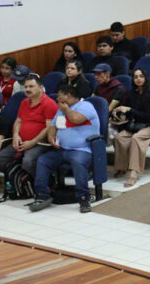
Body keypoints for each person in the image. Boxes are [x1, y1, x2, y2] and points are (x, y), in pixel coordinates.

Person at [29, 83, 100, 213]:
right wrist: (51, 137)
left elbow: (77, 119)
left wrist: (66, 110)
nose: (57, 99)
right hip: (62, 149)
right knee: (42, 160)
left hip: (81, 150)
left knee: (78, 163)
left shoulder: (86, 106)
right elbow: (53, 126)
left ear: (68, 95)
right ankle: (42, 196)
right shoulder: (61, 109)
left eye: (59, 96)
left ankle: (84, 198)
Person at [0, 75, 57, 182]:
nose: (27, 89)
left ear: (40, 87)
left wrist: (33, 142)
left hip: (40, 143)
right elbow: (18, 121)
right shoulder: (24, 102)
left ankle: (45, 183)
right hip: (21, 142)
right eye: (26, 87)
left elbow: (49, 128)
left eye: (31, 86)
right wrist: (16, 135)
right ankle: (21, 180)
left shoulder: (49, 104)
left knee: (28, 161)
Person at [111, 68, 150, 188]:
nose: (138, 79)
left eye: (141, 76)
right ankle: (122, 168)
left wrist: (130, 110)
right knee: (119, 137)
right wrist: (119, 111)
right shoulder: (132, 93)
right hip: (135, 125)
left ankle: (133, 173)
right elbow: (128, 110)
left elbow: (149, 116)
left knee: (136, 139)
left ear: (145, 78)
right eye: (135, 77)